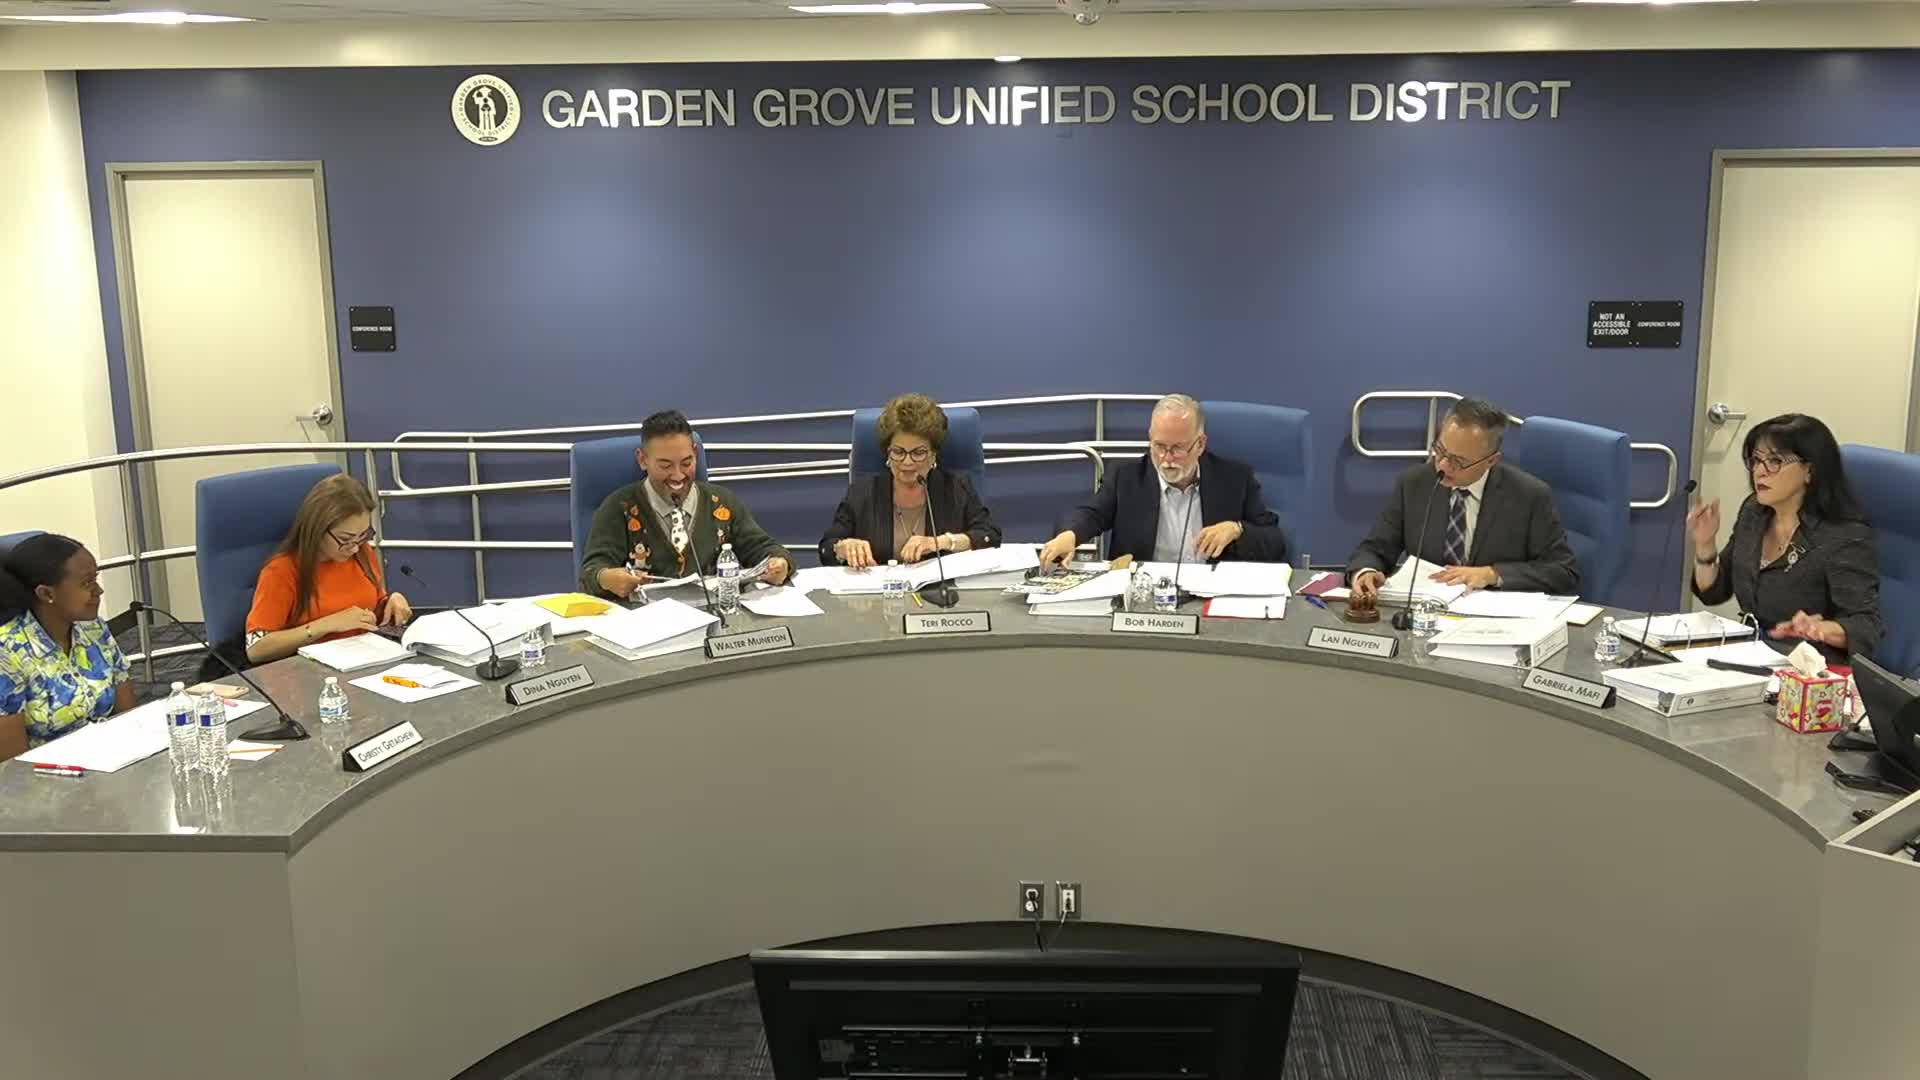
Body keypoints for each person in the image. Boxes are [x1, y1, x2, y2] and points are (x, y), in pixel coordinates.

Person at [1689, 413, 1881, 664]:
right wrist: (1705, 544)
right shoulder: (1755, 512)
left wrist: (1820, 629)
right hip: (1753, 655)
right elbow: (1714, 592)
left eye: (1774, 461)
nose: (1759, 471)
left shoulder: (1843, 535)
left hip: (1810, 669)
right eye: (1756, 460)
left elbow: (1867, 627)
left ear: (1810, 470)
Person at [1346, 397, 1579, 600]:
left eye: (1459, 461)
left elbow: (1562, 572)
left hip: (1493, 621)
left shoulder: (1529, 496)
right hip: (1426, 614)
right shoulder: (1414, 483)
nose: (1443, 465)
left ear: (1491, 460)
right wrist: (1366, 571)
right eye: (1440, 450)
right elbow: (1375, 549)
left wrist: (1492, 574)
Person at [1039, 394, 1290, 567]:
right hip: (1143, 596)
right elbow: (1090, 514)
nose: (1166, 459)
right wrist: (1069, 535)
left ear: (1200, 444)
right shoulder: (1126, 477)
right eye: (1159, 446)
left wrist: (1237, 530)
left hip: (1210, 595)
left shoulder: (1235, 479)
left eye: (1178, 448)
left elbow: (1274, 541)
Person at [581, 409, 793, 600]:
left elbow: (764, 549)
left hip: (714, 615)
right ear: (643, 460)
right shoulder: (619, 507)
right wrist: (606, 578)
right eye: (665, 466)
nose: (678, 476)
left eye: (686, 463)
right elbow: (591, 573)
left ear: (695, 453)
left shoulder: (722, 502)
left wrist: (779, 564)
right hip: (646, 620)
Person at [245, 473, 413, 665]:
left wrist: (391, 601)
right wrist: (327, 625)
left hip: (366, 658)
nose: (354, 548)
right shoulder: (282, 571)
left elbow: (370, 608)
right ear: (317, 529)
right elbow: (256, 649)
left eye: (363, 535)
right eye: (345, 539)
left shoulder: (361, 552)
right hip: (311, 670)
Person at [819, 394, 1002, 569]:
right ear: (887, 453)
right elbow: (826, 548)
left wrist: (941, 542)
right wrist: (843, 548)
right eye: (898, 452)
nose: (907, 462)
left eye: (918, 453)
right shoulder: (862, 492)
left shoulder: (956, 487)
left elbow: (990, 536)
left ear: (933, 455)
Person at [0, 534, 134, 761]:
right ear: (46, 593)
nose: (99, 591)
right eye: (87, 583)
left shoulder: (93, 628)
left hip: (110, 760)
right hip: (48, 776)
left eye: (95, 579)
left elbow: (129, 716)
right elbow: (12, 765)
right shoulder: (8, 650)